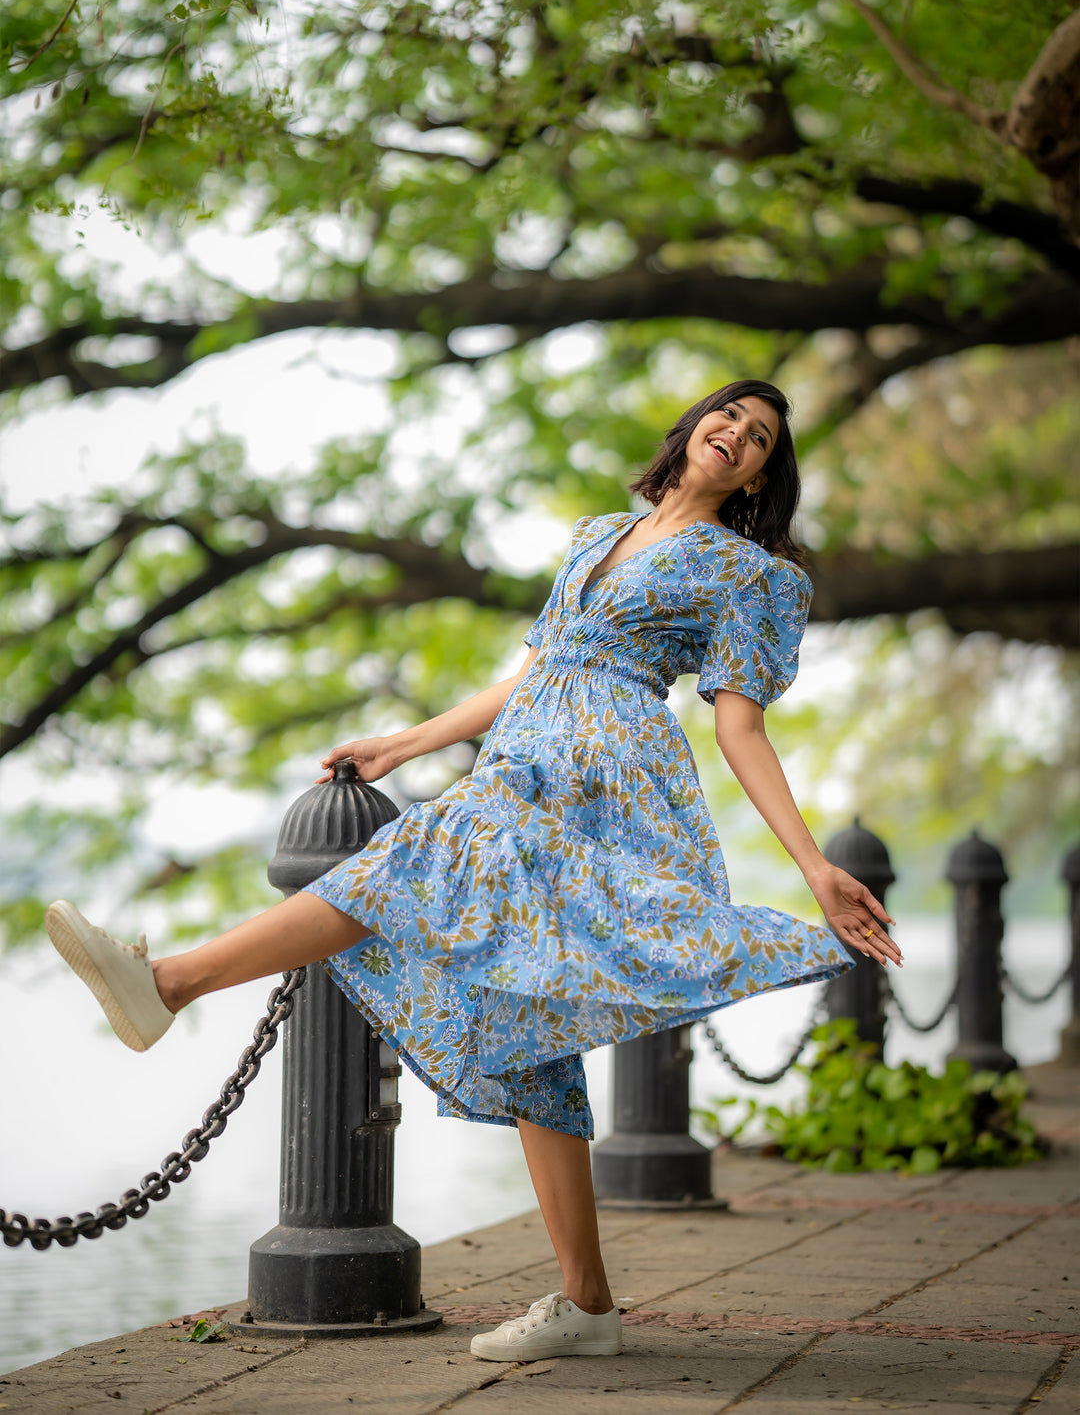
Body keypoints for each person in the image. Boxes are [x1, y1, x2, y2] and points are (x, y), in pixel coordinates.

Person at [45, 379, 902, 1363]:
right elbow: (536, 670)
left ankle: (168, 984)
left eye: (760, 440)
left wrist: (813, 864)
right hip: (524, 757)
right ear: (691, 427)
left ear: (761, 476)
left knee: (408, 863)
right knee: (523, 1026)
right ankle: (586, 1307)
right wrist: (406, 744)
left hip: (602, 784)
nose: (739, 437)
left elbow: (739, 723)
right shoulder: (596, 536)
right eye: (731, 418)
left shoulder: (749, 574)